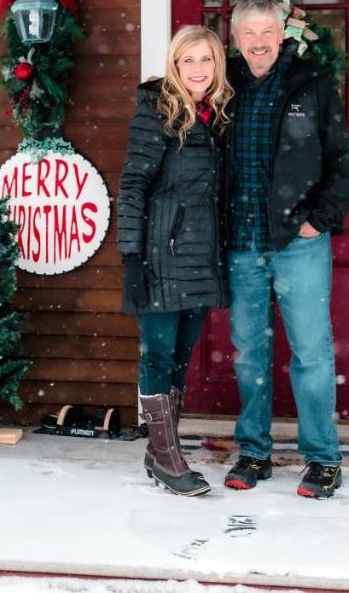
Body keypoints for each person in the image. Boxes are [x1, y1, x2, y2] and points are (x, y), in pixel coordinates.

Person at [223, 0, 349, 499]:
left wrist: (317, 220)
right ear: (236, 40)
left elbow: (340, 157)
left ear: (283, 35)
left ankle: (323, 458)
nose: (259, 42)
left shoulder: (312, 83)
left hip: (297, 243)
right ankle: (253, 452)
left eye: (266, 31)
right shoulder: (224, 86)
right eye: (248, 33)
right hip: (241, 242)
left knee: (311, 352)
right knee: (249, 354)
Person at [117, 25, 232, 497]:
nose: (198, 69)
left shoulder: (217, 116)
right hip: (159, 256)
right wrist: (131, 257)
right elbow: (132, 186)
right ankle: (165, 456)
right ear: (175, 65)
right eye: (188, 60)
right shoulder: (157, 114)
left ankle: (160, 451)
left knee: (180, 358)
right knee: (159, 355)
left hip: (201, 257)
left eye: (206, 60)